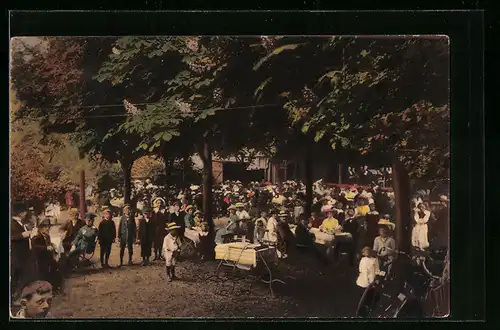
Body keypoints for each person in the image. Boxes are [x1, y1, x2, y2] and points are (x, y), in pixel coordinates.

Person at [31, 219, 63, 293]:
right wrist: (46, 248)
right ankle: (47, 288)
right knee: (47, 270)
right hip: (40, 259)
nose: (47, 228)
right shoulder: (36, 237)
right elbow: (35, 247)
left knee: (57, 266)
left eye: (48, 227)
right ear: (40, 228)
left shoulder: (47, 236)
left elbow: (48, 244)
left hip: (47, 258)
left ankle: (55, 287)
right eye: (45, 227)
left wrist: (52, 245)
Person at [11, 202, 33, 294]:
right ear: (21, 213)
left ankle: (20, 294)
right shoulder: (11, 223)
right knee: (16, 275)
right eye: (25, 212)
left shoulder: (20, 223)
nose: (26, 214)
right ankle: (14, 296)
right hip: (17, 254)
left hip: (23, 253)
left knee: (22, 275)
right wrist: (22, 235)